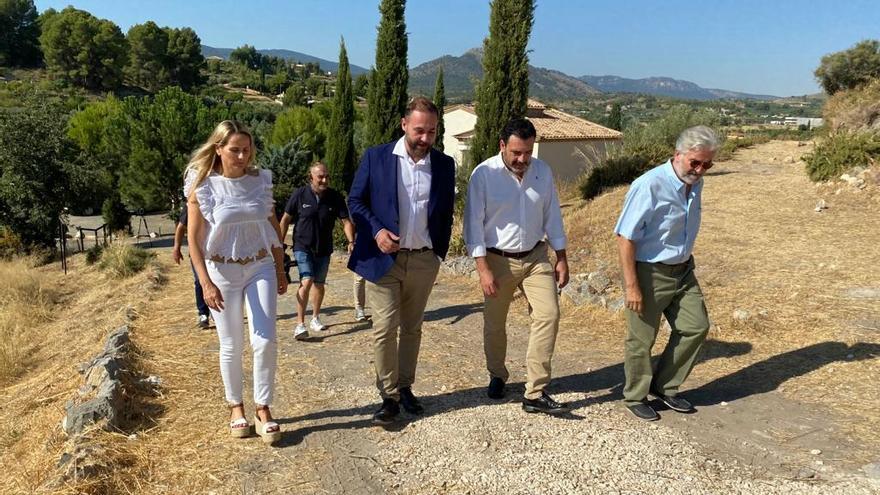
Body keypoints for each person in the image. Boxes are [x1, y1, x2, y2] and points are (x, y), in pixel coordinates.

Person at [348, 96, 455, 425]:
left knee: (412, 328)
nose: (425, 139)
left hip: (423, 260)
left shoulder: (444, 164)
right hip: (384, 260)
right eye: (420, 130)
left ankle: (406, 387)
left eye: (432, 132)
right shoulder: (377, 158)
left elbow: (445, 212)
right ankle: (389, 396)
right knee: (384, 328)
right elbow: (355, 200)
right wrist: (377, 229)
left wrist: (439, 251)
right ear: (404, 124)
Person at [185, 120, 288, 443]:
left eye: (247, 149)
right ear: (218, 149)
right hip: (221, 270)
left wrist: (282, 268)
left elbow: (272, 227)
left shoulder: (260, 181)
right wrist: (205, 283)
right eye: (235, 150)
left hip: (260, 265)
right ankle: (236, 408)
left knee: (265, 339)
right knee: (231, 343)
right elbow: (194, 240)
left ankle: (263, 408)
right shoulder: (204, 185)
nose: (242, 156)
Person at [463, 118, 571, 416]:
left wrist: (561, 257)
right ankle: (497, 374)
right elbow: (473, 224)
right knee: (495, 324)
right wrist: (483, 269)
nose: (523, 159)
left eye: (528, 152)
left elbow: (552, 216)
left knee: (549, 315)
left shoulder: (542, 171)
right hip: (498, 259)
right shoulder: (483, 174)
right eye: (516, 153)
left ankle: (535, 392)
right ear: (502, 146)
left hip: (537, 258)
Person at [614, 125, 719, 421]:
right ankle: (635, 395)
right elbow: (625, 237)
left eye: (706, 164)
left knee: (695, 327)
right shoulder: (649, 185)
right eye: (694, 162)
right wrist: (631, 286)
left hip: (683, 270)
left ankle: (665, 387)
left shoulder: (694, 183)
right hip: (650, 271)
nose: (699, 170)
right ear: (678, 155)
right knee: (641, 338)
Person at [279, 162, 355, 340]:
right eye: (320, 176)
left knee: (319, 283)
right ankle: (299, 324)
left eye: (327, 176)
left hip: (324, 248)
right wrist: (279, 245)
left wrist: (351, 241)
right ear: (310, 177)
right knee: (307, 279)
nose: (325, 179)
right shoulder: (300, 194)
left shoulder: (334, 197)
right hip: (302, 245)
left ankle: (315, 317)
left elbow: (345, 221)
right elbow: (284, 220)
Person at [172, 206, 210, 329]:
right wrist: (176, 248)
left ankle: (217, 311)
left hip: (218, 252)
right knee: (200, 281)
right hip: (197, 252)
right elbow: (181, 227)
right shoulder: (192, 204)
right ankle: (203, 314)